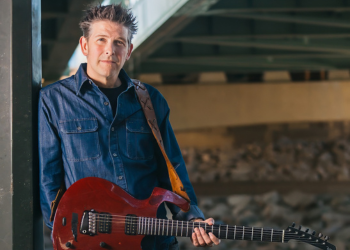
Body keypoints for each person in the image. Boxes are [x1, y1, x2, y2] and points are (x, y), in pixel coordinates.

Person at [39, 4, 220, 249]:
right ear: (85, 45)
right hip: (92, 243)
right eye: (101, 40)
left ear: (129, 50)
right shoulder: (53, 100)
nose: (109, 50)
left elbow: (171, 169)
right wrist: (69, 233)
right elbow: (48, 180)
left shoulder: (150, 100)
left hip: (153, 241)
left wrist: (191, 218)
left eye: (119, 43)